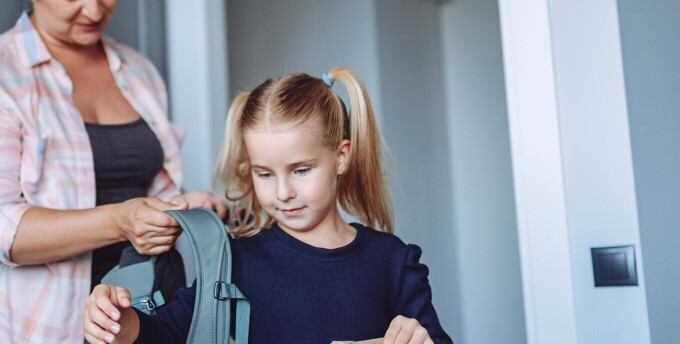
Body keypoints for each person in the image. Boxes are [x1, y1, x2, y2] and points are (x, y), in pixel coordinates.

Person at [0, 0, 225, 342]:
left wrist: (183, 209)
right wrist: (121, 219)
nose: (94, 8)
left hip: (137, 319)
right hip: (26, 327)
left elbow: (149, 201)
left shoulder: (140, 74)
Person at [83, 67, 452, 344]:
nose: (284, 192)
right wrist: (119, 322)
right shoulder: (235, 263)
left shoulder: (393, 261)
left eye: (301, 170)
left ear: (341, 157)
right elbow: (164, 332)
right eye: (265, 174)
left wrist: (419, 339)